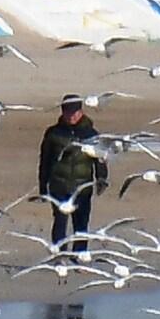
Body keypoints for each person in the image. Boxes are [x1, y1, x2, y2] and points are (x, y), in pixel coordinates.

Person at [38, 94, 108, 253]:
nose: (72, 116)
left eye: (75, 112)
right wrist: (43, 186)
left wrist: (102, 178)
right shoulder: (53, 134)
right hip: (59, 185)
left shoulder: (92, 134)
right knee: (60, 222)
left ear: (81, 111)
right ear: (62, 112)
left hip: (83, 184)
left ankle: (80, 255)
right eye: (68, 112)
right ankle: (60, 255)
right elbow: (44, 161)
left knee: (81, 223)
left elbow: (100, 158)